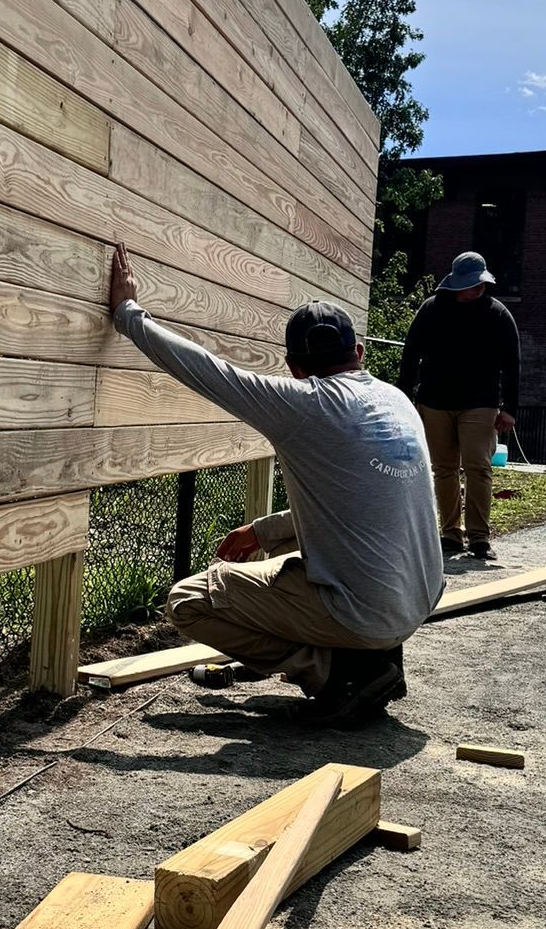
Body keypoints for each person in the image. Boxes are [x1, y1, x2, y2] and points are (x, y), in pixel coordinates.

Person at [107, 244, 443, 726]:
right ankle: (375, 658)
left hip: (367, 612)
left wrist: (127, 313)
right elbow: (361, 505)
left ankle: (333, 671)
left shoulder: (305, 404)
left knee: (189, 602)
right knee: (294, 563)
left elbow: (207, 370)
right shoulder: (396, 401)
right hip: (416, 599)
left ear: (294, 367)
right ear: (360, 353)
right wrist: (264, 533)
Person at [396, 251, 520, 559]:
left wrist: (510, 409)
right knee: (444, 468)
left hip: (481, 402)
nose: (477, 290)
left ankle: (479, 537)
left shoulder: (498, 314)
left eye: (480, 284)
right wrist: (403, 400)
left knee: (479, 466)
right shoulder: (431, 311)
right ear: (455, 284)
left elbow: (512, 365)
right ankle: (450, 533)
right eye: (471, 285)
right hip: (435, 401)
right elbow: (410, 357)